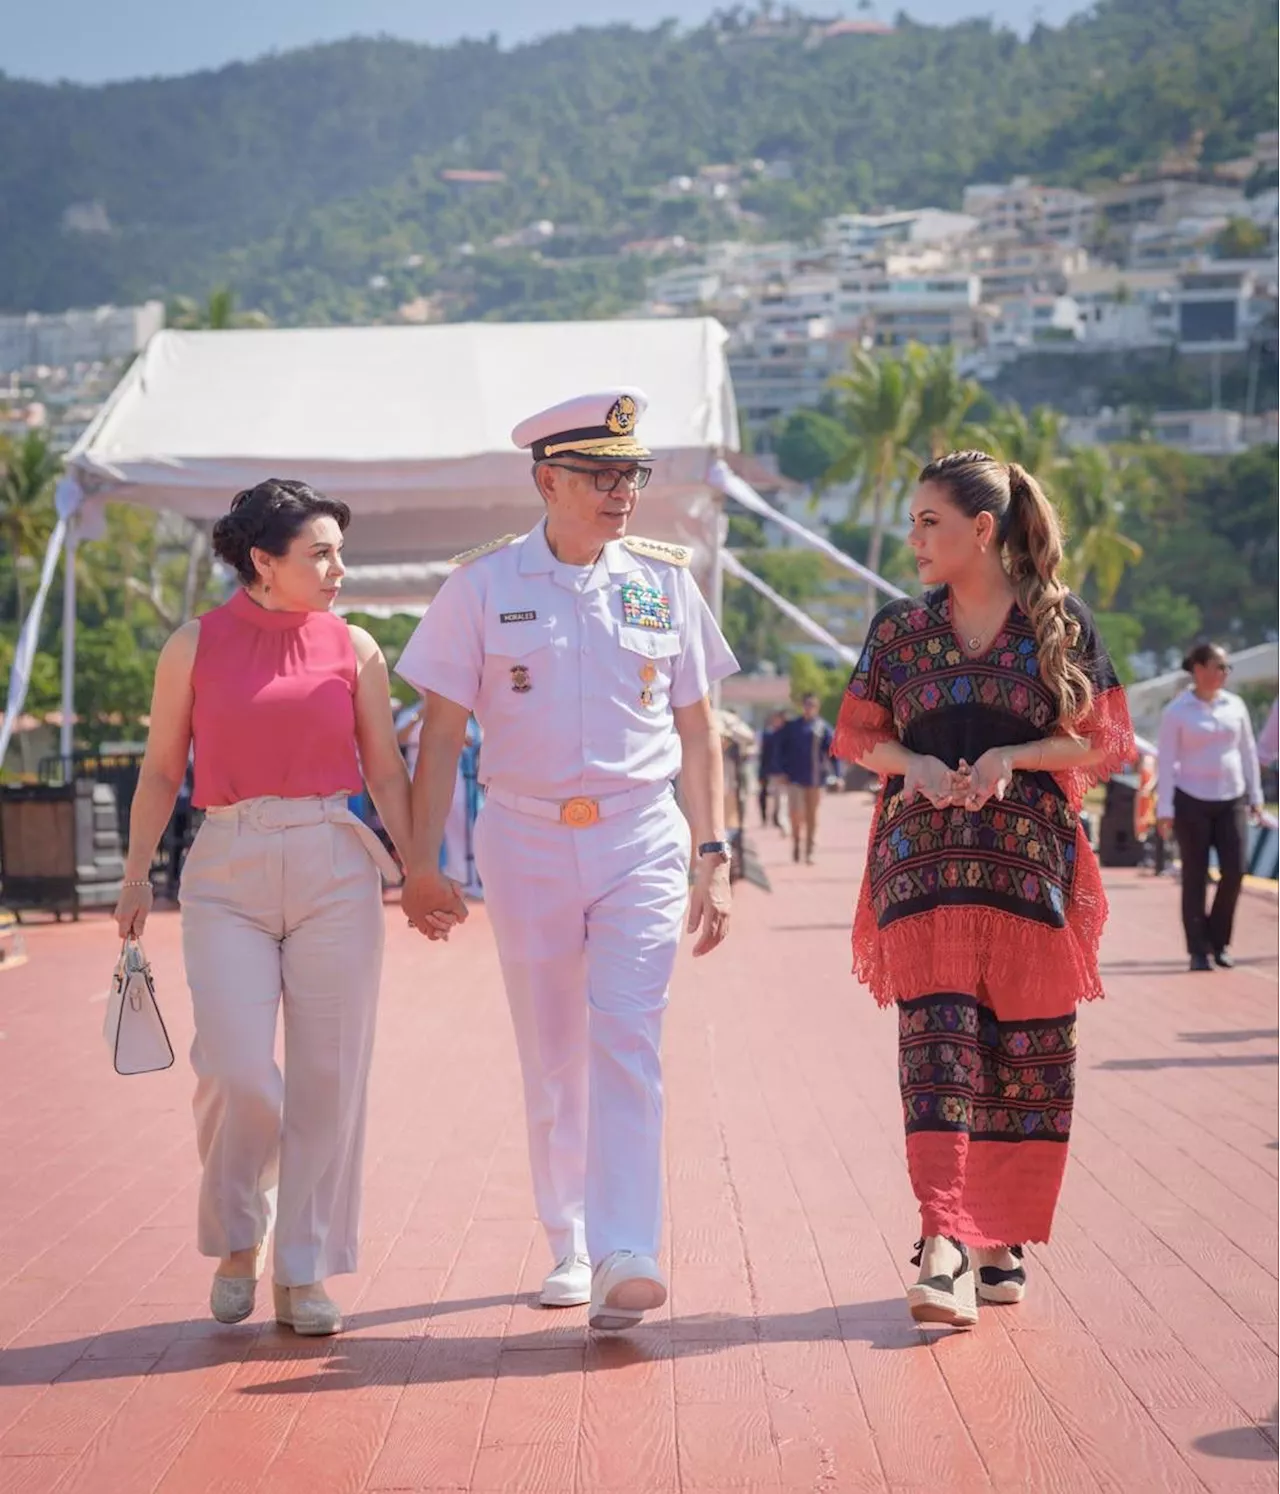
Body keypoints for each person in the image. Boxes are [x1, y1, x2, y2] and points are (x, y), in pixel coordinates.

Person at [396, 388, 738, 1332]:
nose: (620, 490)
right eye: (599, 473)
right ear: (547, 480)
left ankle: (629, 1246)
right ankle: (572, 1240)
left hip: (639, 833)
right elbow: (439, 737)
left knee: (627, 1035)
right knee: (552, 1050)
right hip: (527, 835)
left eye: (630, 472)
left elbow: (698, 728)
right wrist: (421, 864)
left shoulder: (666, 579)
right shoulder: (480, 586)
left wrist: (714, 848)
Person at [833, 450, 1133, 1328]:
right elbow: (857, 736)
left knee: (1025, 1055)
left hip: (1030, 872)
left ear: (983, 529)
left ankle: (1000, 1240)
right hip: (923, 870)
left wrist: (1013, 756)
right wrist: (916, 762)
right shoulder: (897, 631)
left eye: (930, 522)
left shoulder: (1059, 625)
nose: (915, 538)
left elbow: (1105, 740)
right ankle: (944, 1240)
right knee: (938, 1048)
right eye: (914, 522)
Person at [113, 479, 412, 1337]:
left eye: (338, 552)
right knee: (237, 1069)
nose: (338, 569)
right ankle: (238, 1233)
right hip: (227, 865)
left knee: (329, 1079)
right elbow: (162, 770)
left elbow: (385, 771)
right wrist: (136, 878)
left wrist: (419, 867)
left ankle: (303, 1267)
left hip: (334, 863)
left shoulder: (354, 647)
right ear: (262, 562)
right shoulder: (193, 647)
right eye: (319, 553)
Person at [1155, 643, 1264, 971]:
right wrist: (1164, 810)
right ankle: (1198, 949)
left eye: (1226, 668)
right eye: (1218, 667)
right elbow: (1165, 763)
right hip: (1191, 800)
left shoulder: (1236, 706)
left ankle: (1220, 940)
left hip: (1231, 797)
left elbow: (1248, 752)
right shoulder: (1177, 711)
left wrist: (1255, 796)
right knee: (1195, 875)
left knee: (1235, 869)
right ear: (1198, 670)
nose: (1223, 674)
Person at [777, 692, 835, 864]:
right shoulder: (792, 727)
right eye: (807, 705)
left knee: (812, 816)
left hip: (815, 779)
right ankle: (796, 841)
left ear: (817, 708)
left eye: (813, 705)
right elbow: (781, 749)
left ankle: (809, 851)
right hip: (794, 778)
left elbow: (832, 752)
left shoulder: (822, 727)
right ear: (803, 707)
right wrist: (781, 770)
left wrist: (836, 774)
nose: (809, 708)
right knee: (795, 813)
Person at [758, 709, 788, 831]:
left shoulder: (788, 735)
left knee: (781, 798)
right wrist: (761, 772)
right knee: (770, 796)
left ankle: (780, 819)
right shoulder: (769, 735)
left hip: (785, 772)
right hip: (771, 771)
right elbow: (764, 755)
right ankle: (770, 817)